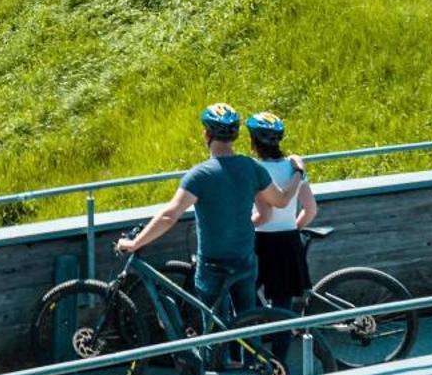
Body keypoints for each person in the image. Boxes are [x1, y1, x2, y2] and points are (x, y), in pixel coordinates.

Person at [115, 103, 299, 330]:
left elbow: (169, 216)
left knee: (211, 327)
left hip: (213, 264)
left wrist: (135, 243)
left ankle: (215, 364)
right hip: (244, 260)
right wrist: (298, 173)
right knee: (249, 322)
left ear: (207, 135)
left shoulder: (200, 175)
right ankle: (255, 363)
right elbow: (280, 201)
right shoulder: (251, 167)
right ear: (235, 136)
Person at [245, 111, 317, 319]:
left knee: (245, 295)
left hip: (258, 240)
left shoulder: (254, 168)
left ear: (253, 141)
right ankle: (280, 351)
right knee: (283, 306)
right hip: (288, 240)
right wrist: (293, 229)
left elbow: (262, 214)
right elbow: (310, 209)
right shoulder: (294, 167)